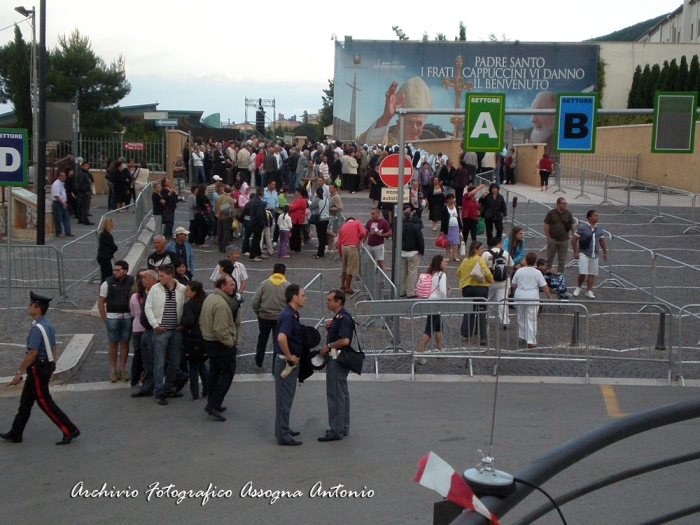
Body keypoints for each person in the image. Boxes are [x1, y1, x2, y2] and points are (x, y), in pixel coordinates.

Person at [0, 292, 80, 445]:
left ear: (37, 309)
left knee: (45, 402)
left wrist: (19, 372)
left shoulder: (37, 329)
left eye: (31, 305)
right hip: (44, 366)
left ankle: (69, 429)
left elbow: (32, 353)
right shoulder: (47, 325)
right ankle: (16, 432)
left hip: (37, 368)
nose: (28, 307)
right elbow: (53, 347)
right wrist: (52, 365)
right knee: (26, 402)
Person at [145, 265, 187, 406]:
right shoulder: (155, 289)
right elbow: (148, 307)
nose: (159, 278)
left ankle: (168, 388)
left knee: (175, 361)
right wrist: (155, 325)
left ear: (170, 275)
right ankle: (159, 391)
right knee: (159, 362)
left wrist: (183, 324)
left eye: (162, 276)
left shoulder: (181, 289)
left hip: (176, 330)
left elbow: (186, 307)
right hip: (161, 330)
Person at [318, 289, 356, 441]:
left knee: (335, 394)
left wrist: (328, 347)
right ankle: (343, 426)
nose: (327, 302)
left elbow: (345, 341)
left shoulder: (344, 318)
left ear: (338, 301)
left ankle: (336, 429)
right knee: (342, 393)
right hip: (339, 358)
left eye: (329, 299)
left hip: (337, 358)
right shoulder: (339, 318)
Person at [199, 275, 237, 421]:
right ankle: (214, 405)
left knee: (214, 373)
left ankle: (212, 402)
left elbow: (202, 321)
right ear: (223, 287)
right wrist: (231, 342)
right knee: (226, 374)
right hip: (220, 345)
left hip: (209, 342)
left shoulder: (210, 298)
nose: (233, 287)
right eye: (231, 284)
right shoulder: (221, 304)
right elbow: (221, 330)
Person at [274, 284, 307, 446]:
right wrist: (290, 356)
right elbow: (281, 337)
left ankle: (282, 428)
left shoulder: (292, 314)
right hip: (285, 363)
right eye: (303, 295)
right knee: (284, 400)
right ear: (295, 297)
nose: (305, 298)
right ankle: (283, 434)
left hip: (288, 362)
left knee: (286, 398)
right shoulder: (288, 315)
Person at [358, 77, 433, 145]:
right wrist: (386, 117)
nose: (415, 128)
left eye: (419, 124)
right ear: (399, 124)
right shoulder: (388, 142)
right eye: (409, 122)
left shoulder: (432, 146)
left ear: (424, 126)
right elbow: (372, 146)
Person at [98, 260, 135, 383]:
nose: (115, 272)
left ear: (125, 271)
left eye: (118, 270)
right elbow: (101, 301)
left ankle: (122, 369)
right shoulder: (107, 283)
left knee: (125, 343)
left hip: (127, 316)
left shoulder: (131, 281)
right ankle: (113, 370)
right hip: (112, 316)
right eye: (114, 270)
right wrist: (105, 318)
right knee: (113, 343)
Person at [252, 263, 290, 369]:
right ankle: (275, 366)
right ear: (284, 273)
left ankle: (259, 360)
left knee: (262, 339)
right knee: (277, 342)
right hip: (280, 318)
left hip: (264, 317)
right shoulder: (287, 286)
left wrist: (258, 313)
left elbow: (255, 301)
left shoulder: (264, 284)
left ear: (273, 271)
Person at [512, 252, 553, 349]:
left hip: (519, 296)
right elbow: (544, 286)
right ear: (535, 261)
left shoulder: (519, 271)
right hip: (532, 297)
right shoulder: (537, 272)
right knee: (531, 319)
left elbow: (513, 284)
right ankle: (531, 340)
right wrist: (549, 297)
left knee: (521, 317)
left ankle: (522, 336)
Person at [456, 241, 493, 345]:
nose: (483, 250)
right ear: (475, 250)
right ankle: (482, 336)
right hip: (480, 288)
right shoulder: (480, 259)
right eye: (481, 248)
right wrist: (491, 280)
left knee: (469, 310)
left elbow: (458, 273)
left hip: (467, 288)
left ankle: (465, 333)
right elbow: (487, 272)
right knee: (481, 311)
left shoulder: (465, 260)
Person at [414, 255, 448, 365]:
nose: (446, 263)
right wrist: (445, 300)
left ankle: (439, 350)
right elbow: (442, 291)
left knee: (438, 327)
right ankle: (419, 353)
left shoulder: (432, 273)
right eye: (444, 261)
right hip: (437, 303)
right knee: (429, 329)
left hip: (430, 301)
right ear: (439, 263)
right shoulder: (442, 275)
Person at [131, 270, 158, 398]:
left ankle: (177, 376)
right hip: (146, 330)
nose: (142, 280)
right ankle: (148, 386)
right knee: (147, 359)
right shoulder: (146, 292)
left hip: (153, 330)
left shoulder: (157, 292)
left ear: (153, 279)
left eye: (145, 278)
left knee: (155, 359)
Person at [572, 210, 608, 299]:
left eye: (597, 215)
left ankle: (589, 290)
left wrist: (605, 252)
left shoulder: (599, 228)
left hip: (595, 254)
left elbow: (602, 241)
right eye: (595, 215)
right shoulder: (582, 227)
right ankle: (579, 287)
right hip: (584, 253)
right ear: (589, 217)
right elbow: (574, 240)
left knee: (592, 273)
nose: (597, 217)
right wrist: (576, 252)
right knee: (583, 272)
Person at [482, 238, 514, 329]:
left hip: (490, 281)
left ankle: (485, 317)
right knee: (503, 301)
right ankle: (505, 321)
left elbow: (482, 266)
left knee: (488, 300)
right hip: (503, 281)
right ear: (498, 243)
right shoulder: (505, 253)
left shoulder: (485, 254)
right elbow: (511, 266)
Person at [544, 197, 575, 272]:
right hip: (553, 240)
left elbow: (573, 225)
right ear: (558, 204)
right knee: (549, 258)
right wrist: (548, 237)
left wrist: (574, 236)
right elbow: (546, 225)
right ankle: (547, 274)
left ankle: (560, 276)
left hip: (564, 240)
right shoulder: (551, 213)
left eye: (566, 203)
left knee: (562, 260)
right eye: (563, 203)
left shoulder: (568, 213)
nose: (565, 205)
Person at [337, 217, 367, 295]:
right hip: (352, 247)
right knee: (350, 269)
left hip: (344, 247)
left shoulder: (343, 227)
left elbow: (339, 242)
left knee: (344, 268)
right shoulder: (357, 223)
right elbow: (363, 233)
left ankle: (342, 285)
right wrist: (359, 238)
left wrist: (340, 253)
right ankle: (348, 287)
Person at [401, 210, 425, 297]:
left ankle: (401, 290)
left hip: (402, 252)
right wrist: (421, 251)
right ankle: (410, 292)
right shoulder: (415, 227)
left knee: (402, 272)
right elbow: (420, 240)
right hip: (413, 252)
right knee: (412, 273)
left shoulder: (400, 226)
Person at [440, 194, 463, 262]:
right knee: (448, 242)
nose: (451, 200)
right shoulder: (445, 208)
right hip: (448, 227)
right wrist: (442, 230)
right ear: (447, 200)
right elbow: (443, 219)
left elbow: (458, 217)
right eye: (450, 199)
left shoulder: (456, 207)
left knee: (455, 242)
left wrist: (460, 226)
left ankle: (455, 256)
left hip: (456, 227)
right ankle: (448, 256)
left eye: (452, 199)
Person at [309, 187, 330, 259]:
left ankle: (319, 253)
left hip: (320, 220)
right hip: (326, 219)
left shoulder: (317, 199)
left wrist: (310, 201)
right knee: (323, 236)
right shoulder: (326, 199)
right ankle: (322, 252)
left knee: (320, 236)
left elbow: (311, 207)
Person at [51, 170, 73, 237]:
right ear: (58, 176)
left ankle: (68, 232)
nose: (63, 177)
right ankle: (59, 232)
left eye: (64, 176)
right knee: (58, 219)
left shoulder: (62, 184)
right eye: (62, 176)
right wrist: (63, 203)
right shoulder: (56, 184)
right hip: (58, 203)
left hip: (62, 203)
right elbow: (56, 196)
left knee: (66, 218)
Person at [96, 218, 118, 283]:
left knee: (104, 275)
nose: (113, 224)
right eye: (112, 223)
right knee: (107, 276)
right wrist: (115, 248)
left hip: (102, 257)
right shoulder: (108, 235)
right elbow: (113, 247)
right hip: (105, 257)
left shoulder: (102, 234)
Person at [327, 182, 344, 252]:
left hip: (332, 216)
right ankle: (329, 247)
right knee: (328, 232)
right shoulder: (331, 195)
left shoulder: (336, 197)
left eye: (331, 188)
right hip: (329, 215)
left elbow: (340, 207)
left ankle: (335, 236)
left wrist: (329, 209)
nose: (329, 189)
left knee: (325, 229)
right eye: (329, 188)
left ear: (335, 188)